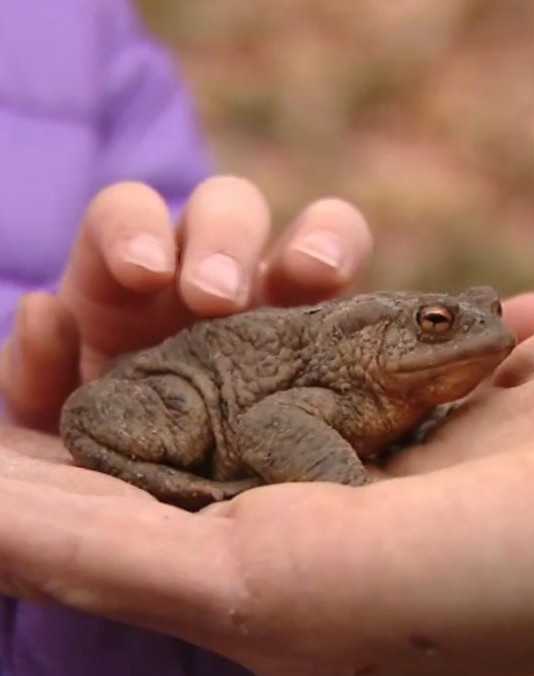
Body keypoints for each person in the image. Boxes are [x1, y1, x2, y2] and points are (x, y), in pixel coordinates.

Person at [0, 1, 373, 674]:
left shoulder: (77, 23)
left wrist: (187, 271)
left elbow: (175, 230)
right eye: (434, 327)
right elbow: (262, 424)